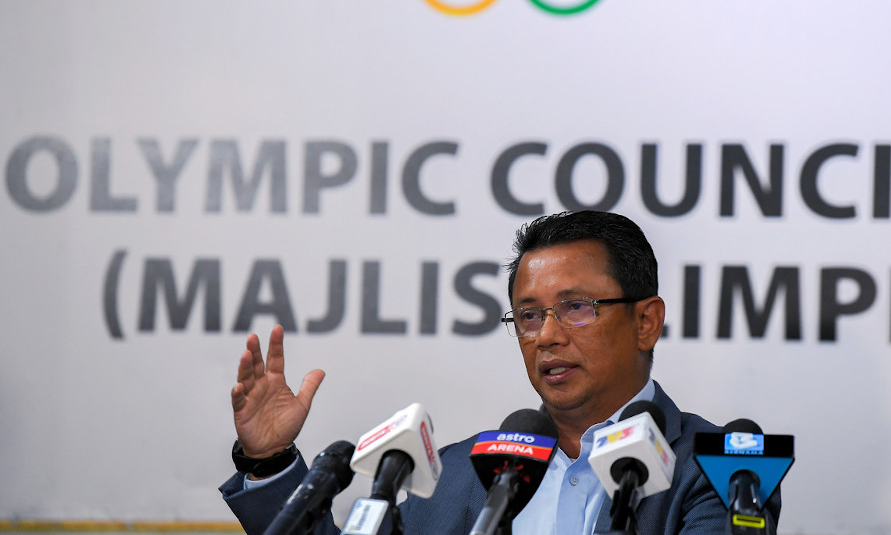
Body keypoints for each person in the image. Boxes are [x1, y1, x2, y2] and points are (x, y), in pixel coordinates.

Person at [220, 210, 782, 533]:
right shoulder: (459, 472)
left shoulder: (719, 469)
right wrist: (270, 463)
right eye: (530, 315)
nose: (548, 336)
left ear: (646, 322)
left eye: (577, 307)